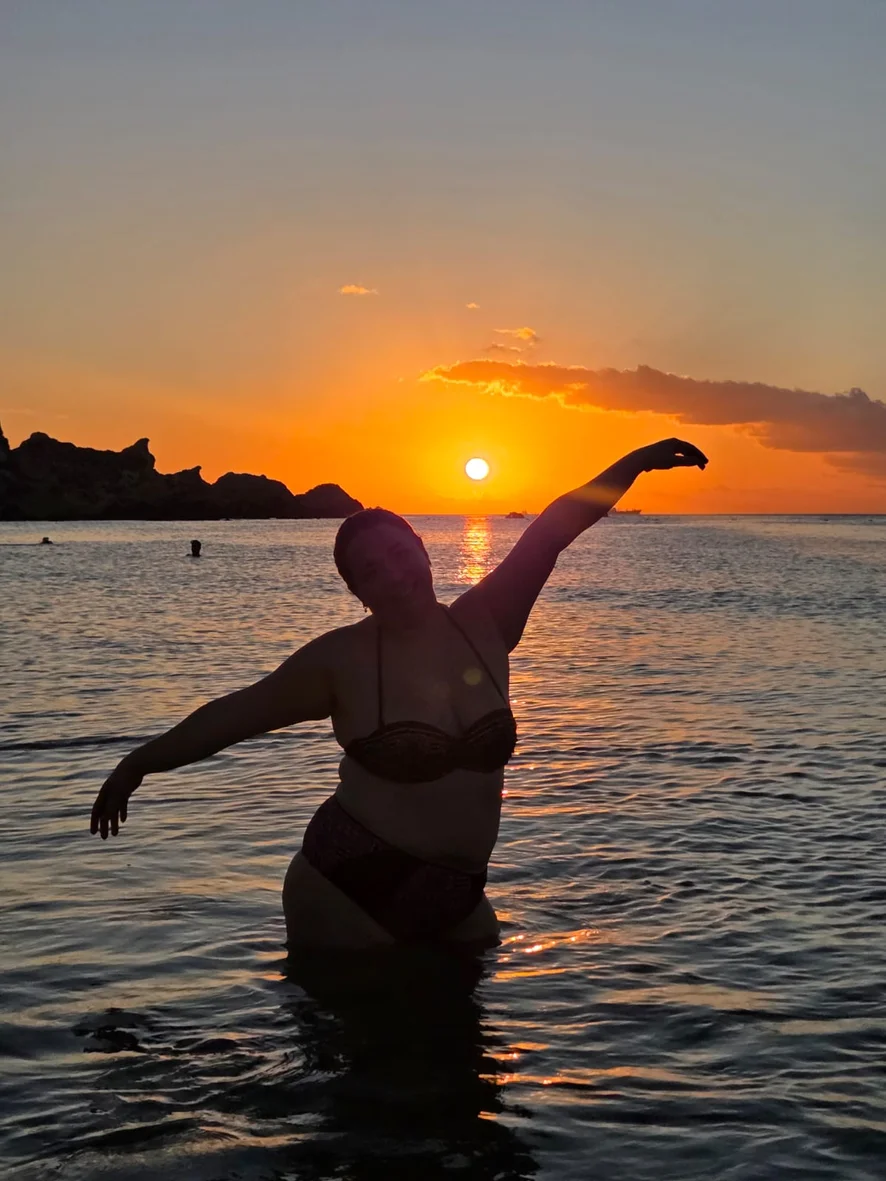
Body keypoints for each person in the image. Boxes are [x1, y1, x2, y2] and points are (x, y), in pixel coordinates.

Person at [90, 438, 708, 950]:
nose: (393, 573)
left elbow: (552, 530)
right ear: (357, 592)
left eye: (397, 552)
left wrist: (635, 462)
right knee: (361, 1054)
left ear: (422, 549)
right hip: (347, 887)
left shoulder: (487, 622)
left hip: (460, 894)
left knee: (466, 1057)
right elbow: (236, 714)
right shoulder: (341, 660)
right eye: (371, 571)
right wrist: (137, 764)